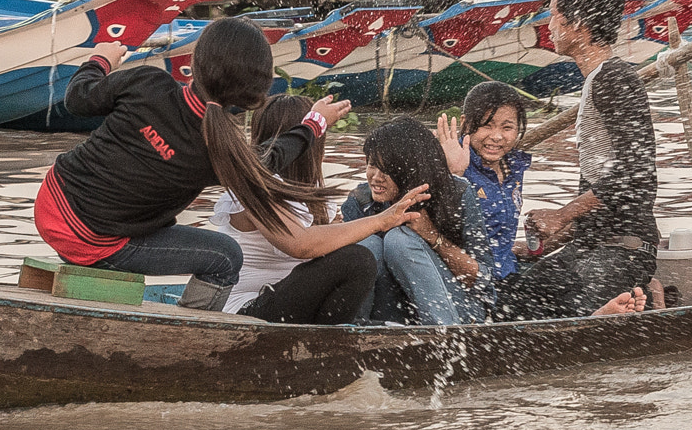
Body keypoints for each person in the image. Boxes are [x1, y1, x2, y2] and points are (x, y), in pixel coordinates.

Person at [35, 17, 347, 311]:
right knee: (225, 258)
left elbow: (77, 98)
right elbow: (270, 159)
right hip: (91, 242)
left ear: (194, 61)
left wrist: (100, 60)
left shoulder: (147, 82)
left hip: (49, 204)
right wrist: (313, 125)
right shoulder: (222, 149)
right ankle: (190, 328)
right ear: (253, 93)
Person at [489, 0, 658, 320]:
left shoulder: (615, 78)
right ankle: (637, 301)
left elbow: (637, 177)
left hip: (622, 252)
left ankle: (630, 304)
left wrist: (563, 213)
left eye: (553, 15)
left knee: (567, 321)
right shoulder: (597, 80)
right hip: (591, 248)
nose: (548, 25)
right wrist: (553, 238)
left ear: (578, 24)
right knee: (509, 301)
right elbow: (606, 193)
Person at [211, 96, 429, 325]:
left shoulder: (309, 190)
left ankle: (339, 336)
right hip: (246, 310)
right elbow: (301, 245)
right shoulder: (252, 187)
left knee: (362, 252)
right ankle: (333, 341)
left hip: (293, 303)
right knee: (357, 259)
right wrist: (382, 220)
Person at [343, 117, 492, 326]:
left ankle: (444, 342)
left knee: (399, 239)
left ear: (409, 169)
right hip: (392, 311)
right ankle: (356, 332)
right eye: (371, 165)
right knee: (367, 244)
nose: (376, 177)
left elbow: (482, 281)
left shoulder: (456, 194)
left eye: (387, 170)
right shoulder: (360, 202)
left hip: (457, 311)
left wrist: (431, 235)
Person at [435, 81, 531, 281]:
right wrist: (453, 174)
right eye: (487, 125)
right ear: (466, 123)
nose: (497, 137)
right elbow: (435, 229)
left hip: (507, 271)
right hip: (473, 280)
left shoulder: (513, 166)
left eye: (507, 128)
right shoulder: (450, 161)